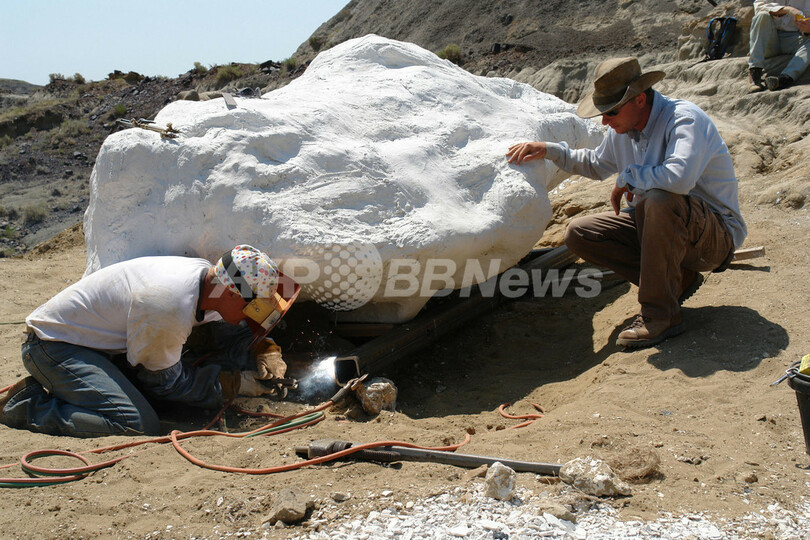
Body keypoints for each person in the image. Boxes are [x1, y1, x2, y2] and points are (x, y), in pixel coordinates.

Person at [506, 57, 747, 348]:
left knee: (659, 199)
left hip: (713, 239)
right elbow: (596, 163)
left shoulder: (684, 119)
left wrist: (629, 177)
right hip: (665, 228)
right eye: (602, 114)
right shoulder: (624, 130)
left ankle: (660, 316)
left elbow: (679, 179)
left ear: (640, 99)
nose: (606, 121)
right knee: (579, 233)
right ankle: (678, 281)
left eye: (612, 112)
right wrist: (550, 150)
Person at [0, 245, 298, 437]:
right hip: (54, 347)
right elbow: (166, 383)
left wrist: (264, 350)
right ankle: (27, 405)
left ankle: (77, 390)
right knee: (135, 423)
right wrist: (236, 385)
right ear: (233, 293)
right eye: (254, 306)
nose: (254, 315)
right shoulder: (167, 307)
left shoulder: (210, 280)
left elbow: (229, 329)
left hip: (96, 345)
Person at [748, 0, 810, 92]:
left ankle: (784, 79)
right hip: (768, 39)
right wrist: (787, 10)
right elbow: (759, 7)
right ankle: (755, 74)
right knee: (762, 16)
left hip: (796, 38)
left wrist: (808, 30)